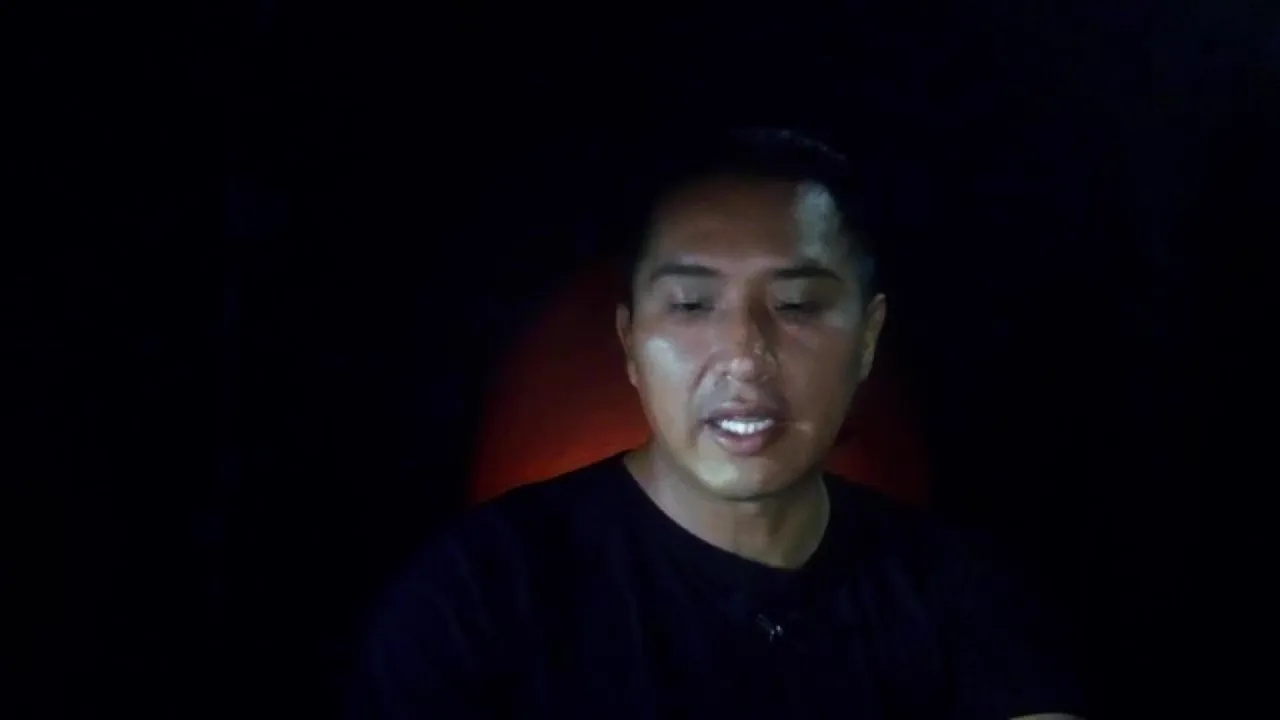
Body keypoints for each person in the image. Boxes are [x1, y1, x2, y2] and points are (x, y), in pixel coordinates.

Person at [346, 128, 1087, 719]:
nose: (744, 354)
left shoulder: (961, 595)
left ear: (867, 339)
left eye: (796, 305)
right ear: (631, 343)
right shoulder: (479, 598)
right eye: (692, 305)